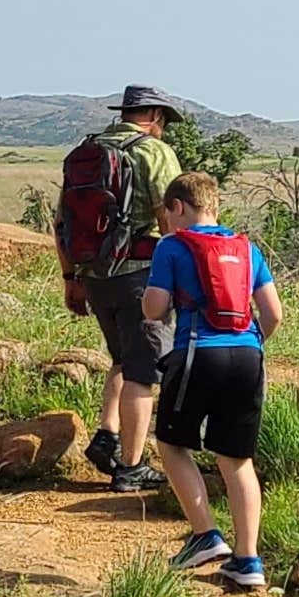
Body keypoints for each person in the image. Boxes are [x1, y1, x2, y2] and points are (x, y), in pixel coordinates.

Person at [139, 170, 282, 592]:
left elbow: (154, 308)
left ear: (178, 207)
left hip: (198, 351)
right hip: (249, 355)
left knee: (171, 442)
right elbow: (273, 314)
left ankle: (205, 535)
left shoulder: (172, 246)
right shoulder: (247, 248)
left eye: (167, 213)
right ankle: (248, 560)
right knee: (237, 460)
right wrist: (249, 343)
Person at [56, 84, 185, 493]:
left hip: (95, 275)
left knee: (123, 357)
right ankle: (131, 466)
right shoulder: (153, 152)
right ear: (156, 116)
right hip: (140, 274)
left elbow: (61, 224)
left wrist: (70, 278)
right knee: (143, 372)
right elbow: (172, 218)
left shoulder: (85, 153)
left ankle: (107, 435)